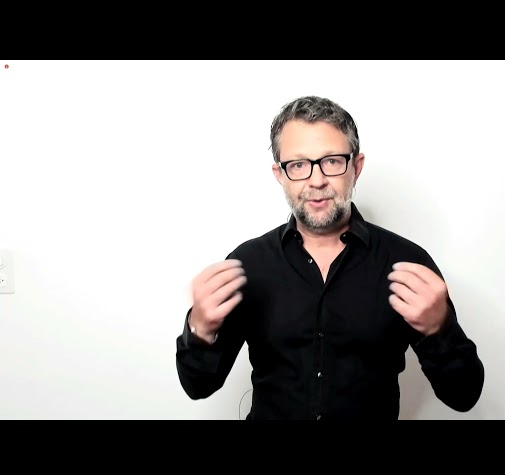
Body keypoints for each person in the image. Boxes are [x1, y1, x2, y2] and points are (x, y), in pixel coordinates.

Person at [175, 95, 484, 420]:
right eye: (298, 165)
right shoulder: (248, 264)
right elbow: (198, 385)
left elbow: (464, 395)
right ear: (280, 174)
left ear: (356, 167)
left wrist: (440, 329)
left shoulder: (406, 264)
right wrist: (200, 328)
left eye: (332, 161)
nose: (316, 180)